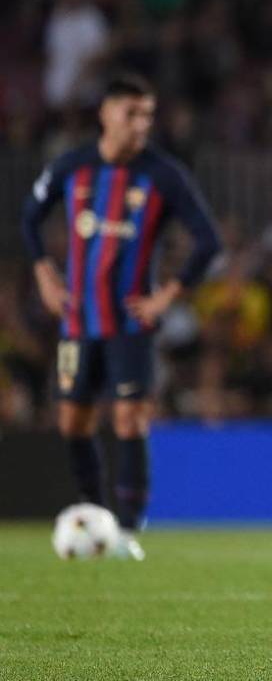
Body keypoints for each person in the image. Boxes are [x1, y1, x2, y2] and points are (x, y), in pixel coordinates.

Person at [21, 73, 222, 560]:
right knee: (73, 421)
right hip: (77, 321)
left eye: (147, 115)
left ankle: (129, 530)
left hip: (130, 323)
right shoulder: (73, 167)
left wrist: (166, 295)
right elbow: (29, 216)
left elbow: (208, 240)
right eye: (131, 113)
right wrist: (45, 276)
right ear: (106, 114)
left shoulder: (163, 174)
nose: (140, 125)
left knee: (131, 418)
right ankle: (95, 515)